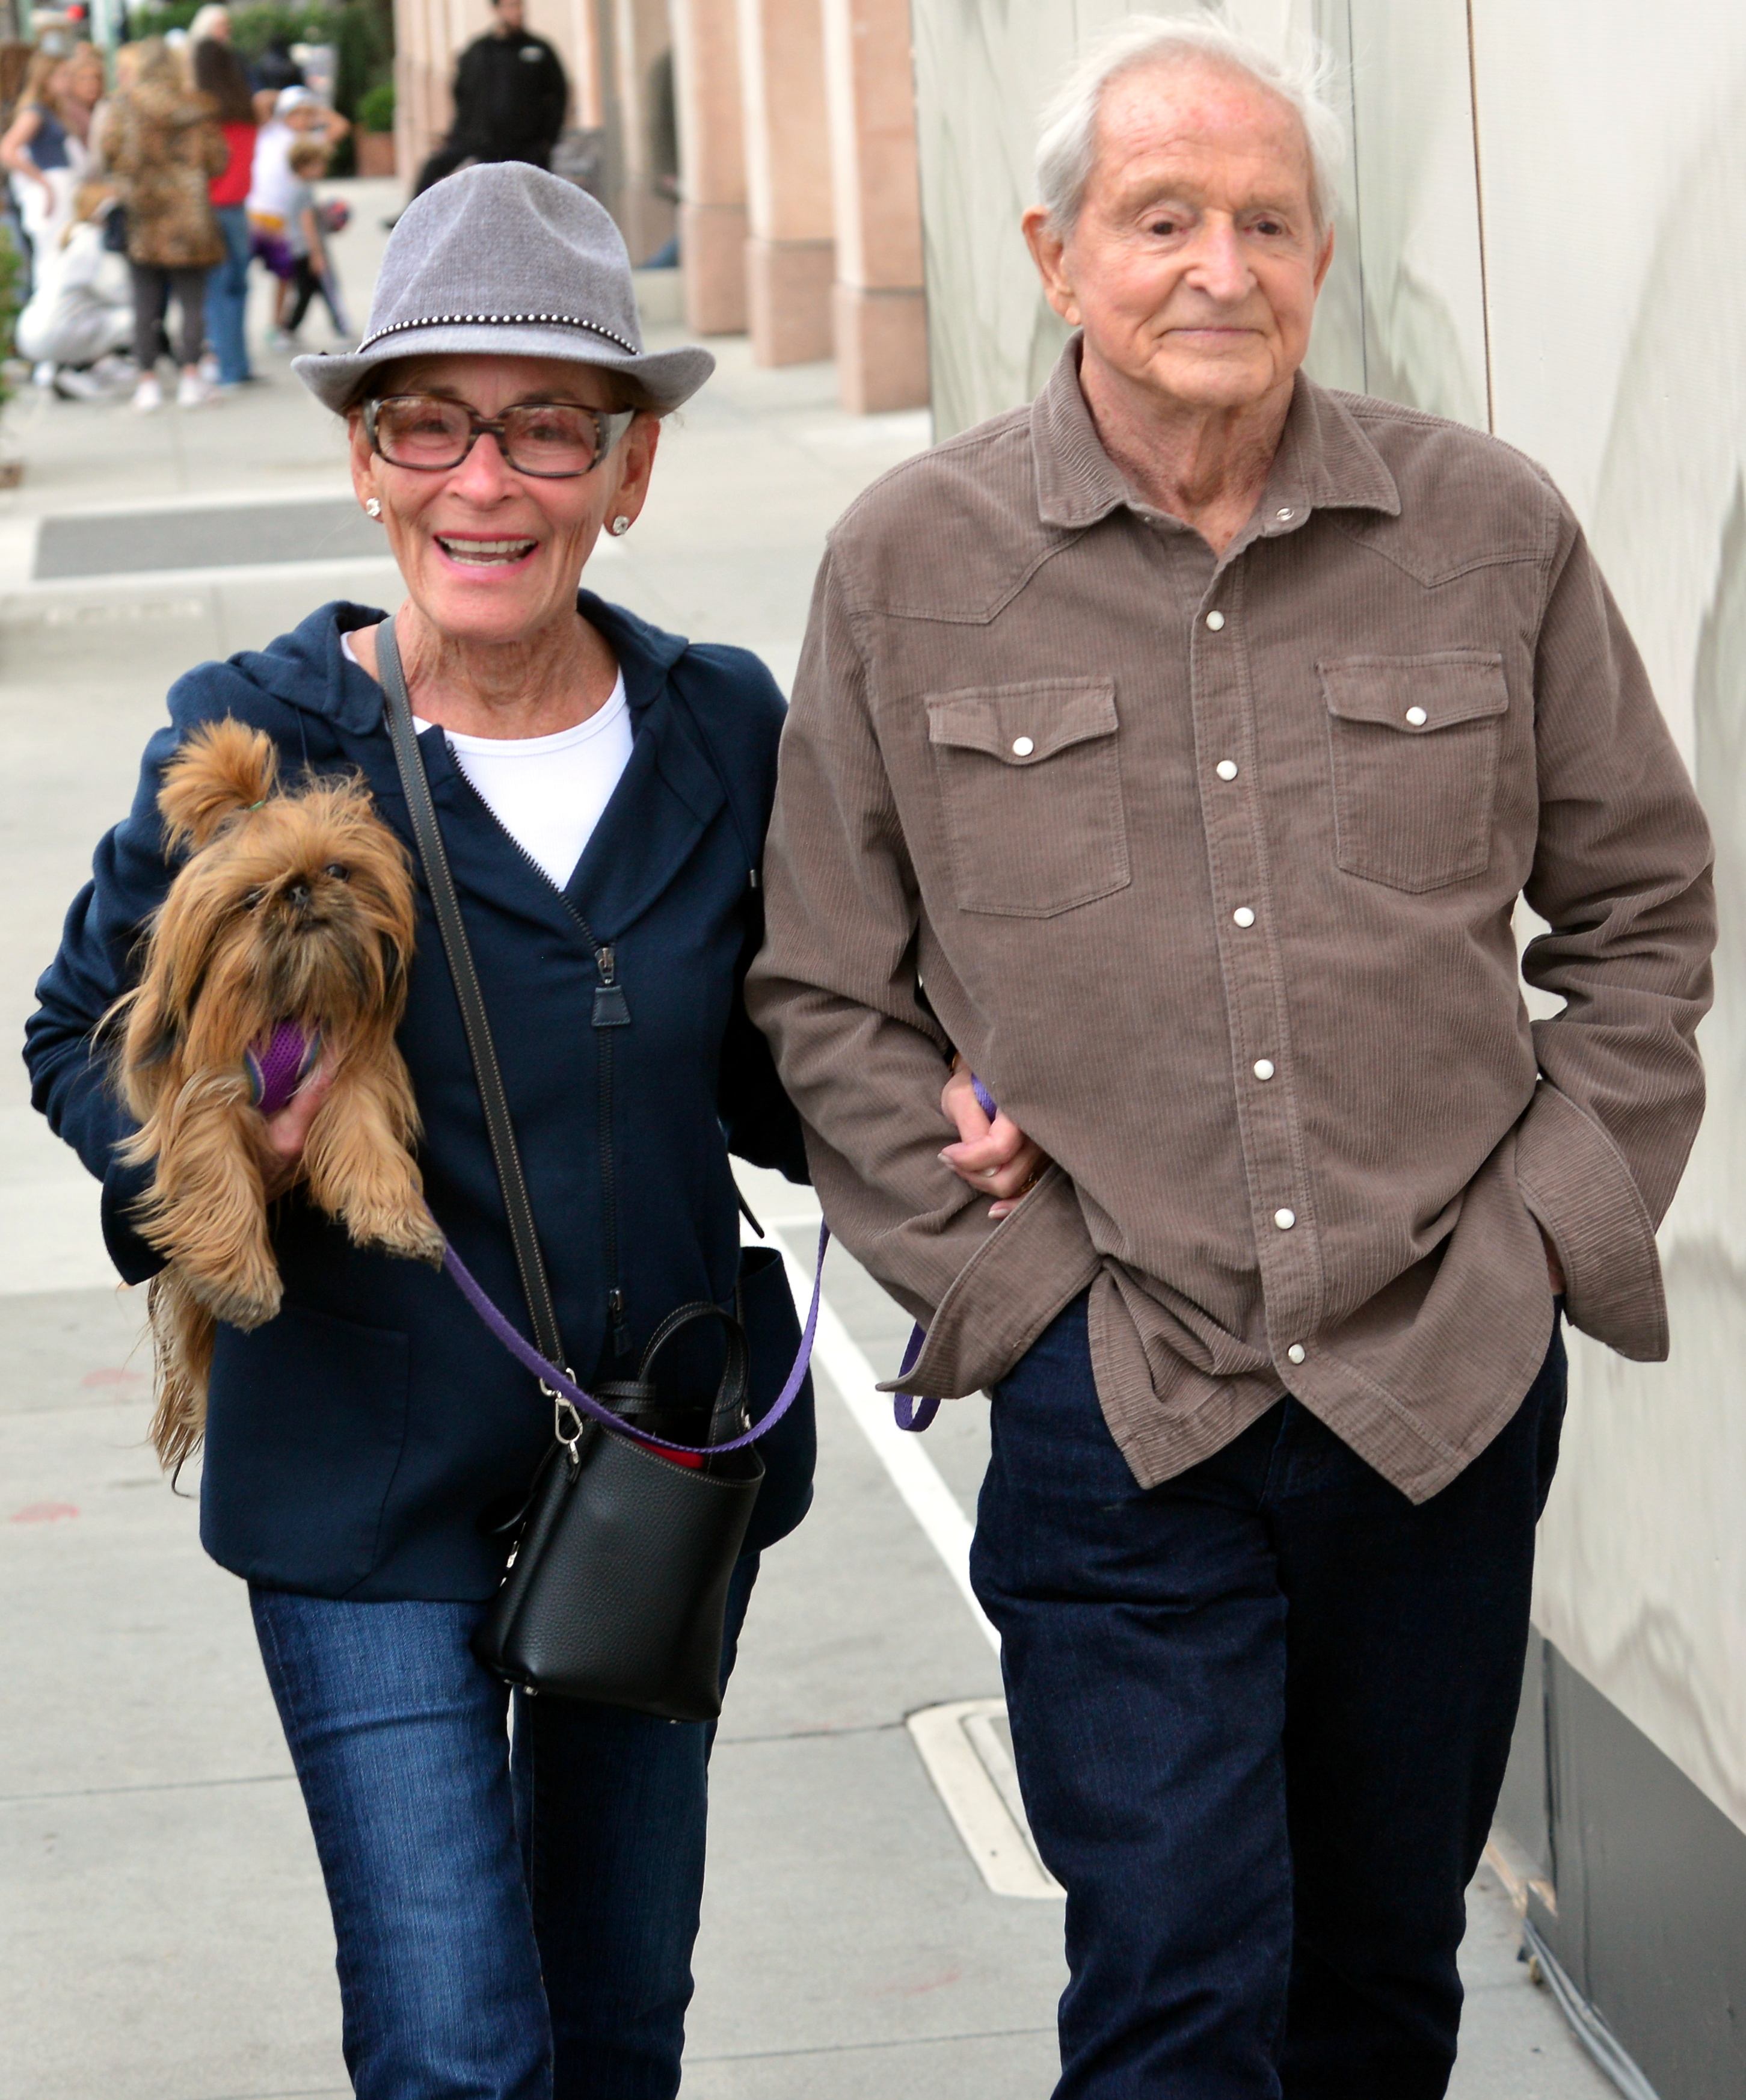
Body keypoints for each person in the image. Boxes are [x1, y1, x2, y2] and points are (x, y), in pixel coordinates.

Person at [748, 17, 1716, 2097]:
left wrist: (1544, 1231)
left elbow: (1641, 913)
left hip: (1437, 1392)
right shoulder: (911, 566)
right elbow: (827, 988)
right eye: (1160, 216)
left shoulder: (1485, 531)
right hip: (1126, 1407)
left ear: (1320, 253)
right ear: (1053, 252)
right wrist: (1011, 1288)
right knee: (1177, 1990)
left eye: (1265, 221)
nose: (1219, 266)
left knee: (1376, 1982)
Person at [25, 161, 814, 2100]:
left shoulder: (720, 727)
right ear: (370, 464)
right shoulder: (264, 732)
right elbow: (70, 1033)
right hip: (360, 1488)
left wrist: (945, 1097)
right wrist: (223, 1164)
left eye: (549, 427)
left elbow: (781, 1069)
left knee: (615, 2028)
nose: (488, 480)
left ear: (625, 472)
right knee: (462, 2045)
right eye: (432, 424)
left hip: (645, 1460)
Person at [102, 37, 225, 411]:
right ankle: (190, 376)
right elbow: (218, 159)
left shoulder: (124, 104)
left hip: (144, 213)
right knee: (192, 303)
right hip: (189, 216)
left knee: (145, 303)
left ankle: (147, 381)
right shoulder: (195, 107)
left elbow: (109, 150)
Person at [411, 0, 567, 197]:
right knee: (434, 167)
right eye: (511, 6)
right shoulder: (479, 51)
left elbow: (558, 95)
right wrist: (459, 133)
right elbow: (462, 95)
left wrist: (548, 139)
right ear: (497, 10)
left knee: (535, 197)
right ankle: (410, 219)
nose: (517, 12)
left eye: (520, 6)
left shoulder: (539, 49)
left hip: (527, 147)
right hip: (482, 141)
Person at [13, 178, 134, 396]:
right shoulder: (91, 241)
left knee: (95, 314)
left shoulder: (73, 235)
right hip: (52, 334)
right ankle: (79, 368)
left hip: (34, 328)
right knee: (134, 317)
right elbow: (116, 292)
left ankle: (70, 366)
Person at [247, 83, 347, 343]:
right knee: (239, 276)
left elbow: (340, 127)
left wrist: (317, 111)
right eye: (296, 113)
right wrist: (285, 98)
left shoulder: (308, 143)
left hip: (283, 221)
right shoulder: (270, 132)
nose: (301, 119)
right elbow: (259, 100)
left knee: (284, 275)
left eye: (306, 114)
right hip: (256, 213)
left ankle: (277, 326)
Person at [1, 42, 100, 289]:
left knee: (63, 255)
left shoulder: (54, 110)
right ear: (46, 78)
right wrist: (43, 182)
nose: (69, 81)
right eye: (63, 75)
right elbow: (8, 150)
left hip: (64, 186)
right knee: (52, 256)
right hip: (54, 186)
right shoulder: (35, 111)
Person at [192, 34, 256, 387]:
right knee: (239, 287)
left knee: (217, 290)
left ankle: (228, 366)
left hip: (209, 205)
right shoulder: (244, 108)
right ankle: (240, 363)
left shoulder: (203, 113)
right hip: (239, 205)